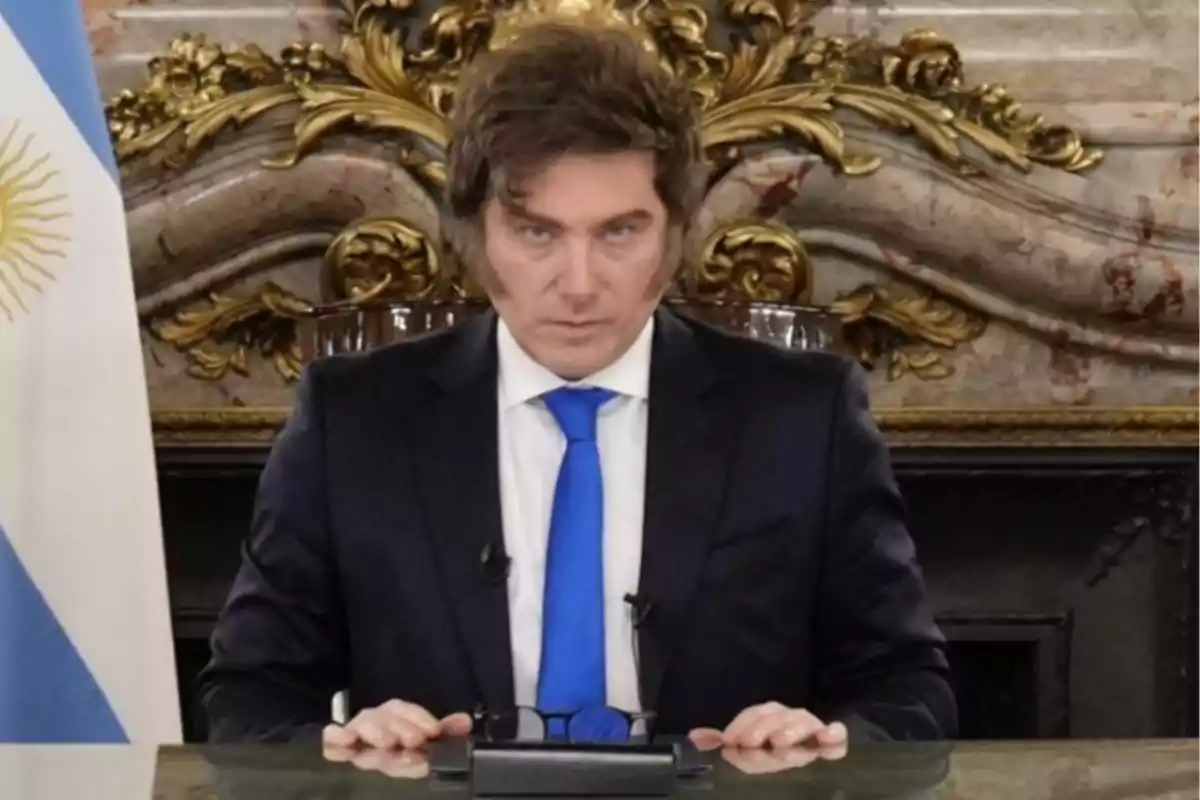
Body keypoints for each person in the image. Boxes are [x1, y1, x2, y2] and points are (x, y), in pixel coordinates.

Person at [197, 22, 956, 758]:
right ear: (474, 232)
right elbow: (249, 697)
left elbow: (908, 689)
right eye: (537, 233)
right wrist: (343, 747)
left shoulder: (802, 415)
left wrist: (826, 744)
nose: (579, 284)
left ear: (675, 233)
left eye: (619, 233)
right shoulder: (354, 418)